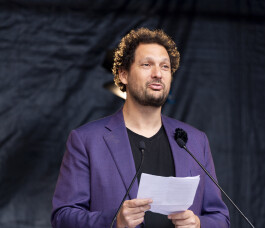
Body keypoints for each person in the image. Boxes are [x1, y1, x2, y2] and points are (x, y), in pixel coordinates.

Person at [51, 28, 230, 228]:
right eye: (147, 65)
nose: (158, 74)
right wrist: (114, 221)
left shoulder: (195, 141)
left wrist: (198, 224)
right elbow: (63, 218)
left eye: (165, 67)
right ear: (123, 74)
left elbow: (219, 217)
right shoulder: (86, 140)